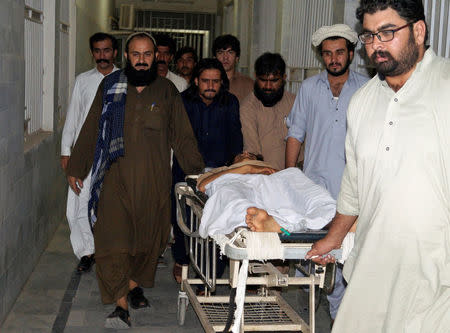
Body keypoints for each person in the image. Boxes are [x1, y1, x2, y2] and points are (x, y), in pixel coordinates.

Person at [306, 1, 450, 332]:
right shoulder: (363, 102)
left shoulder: (445, 87)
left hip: (435, 277)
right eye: (370, 36)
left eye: (387, 32)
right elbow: (353, 187)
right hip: (374, 267)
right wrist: (334, 237)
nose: (376, 46)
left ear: (418, 30)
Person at [65, 32, 204, 329]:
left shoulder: (167, 91)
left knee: (149, 243)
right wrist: (77, 165)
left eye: (148, 55)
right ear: (127, 57)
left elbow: (182, 136)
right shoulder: (110, 85)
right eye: (136, 54)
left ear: (157, 57)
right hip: (116, 178)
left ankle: (131, 283)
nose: (141, 60)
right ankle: (120, 305)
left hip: (154, 182)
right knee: (111, 242)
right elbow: (91, 127)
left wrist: (199, 175)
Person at [285, 24, 369, 322]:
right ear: (322, 57)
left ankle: (339, 320)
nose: (334, 59)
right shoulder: (308, 88)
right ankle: (305, 311)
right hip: (314, 187)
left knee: (345, 259)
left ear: (350, 53)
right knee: (309, 256)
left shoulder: (367, 88)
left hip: (352, 190)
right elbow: (296, 132)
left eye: (339, 53)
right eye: (328, 54)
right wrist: (290, 177)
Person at [171, 58, 243, 282]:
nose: (210, 86)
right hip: (186, 170)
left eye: (215, 81)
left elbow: (235, 137)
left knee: (218, 221)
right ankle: (182, 260)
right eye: (205, 81)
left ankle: (210, 272)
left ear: (222, 82)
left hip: (220, 172)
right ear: (195, 81)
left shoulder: (230, 102)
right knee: (183, 217)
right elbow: (178, 138)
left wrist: (233, 168)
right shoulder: (182, 101)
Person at [60, 32, 119, 272]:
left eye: (106, 50)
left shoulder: (124, 79)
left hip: (114, 154)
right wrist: (66, 151)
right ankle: (87, 251)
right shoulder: (83, 80)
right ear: (92, 53)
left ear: (115, 52)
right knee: (79, 204)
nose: (102, 56)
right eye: (97, 51)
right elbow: (73, 117)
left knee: (110, 205)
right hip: (85, 154)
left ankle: (111, 251)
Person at [240, 53, 296, 170]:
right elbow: (253, 152)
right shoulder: (248, 107)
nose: (268, 86)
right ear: (255, 76)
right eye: (263, 80)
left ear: (284, 78)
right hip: (262, 176)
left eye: (274, 80)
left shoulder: (295, 103)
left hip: (293, 176)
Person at [212, 34, 253, 103]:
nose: (225, 57)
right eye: (220, 52)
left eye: (230, 52)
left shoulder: (249, 84)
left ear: (237, 58)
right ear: (214, 58)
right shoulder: (207, 82)